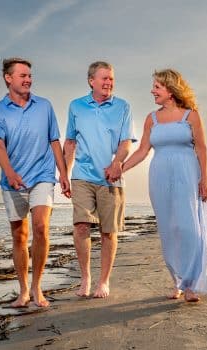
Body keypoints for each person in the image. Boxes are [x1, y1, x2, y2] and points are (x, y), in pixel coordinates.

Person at [122, 69, 207, 302]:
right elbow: (142, 151)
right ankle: (178, 282)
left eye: (157, 87)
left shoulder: (191, 115)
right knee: (169, 230)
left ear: (170, 90)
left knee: (189, 228)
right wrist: (121, 168)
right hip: (160, 177)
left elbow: (201, 148)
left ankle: (191, 284)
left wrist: (205, 180)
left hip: (188, 175)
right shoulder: (152, 118)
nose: (152, 91)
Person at [0, 57, 70, 308]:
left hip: (43, 175)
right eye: (22, 75)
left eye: (29, 75)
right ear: (8, 78)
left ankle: (37, 288)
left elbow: (55, 141)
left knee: (41, 227)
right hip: (13, 180)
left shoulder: (44, 106)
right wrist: (9, 172)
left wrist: (63, 173)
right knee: (19, 234)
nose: (28, 79)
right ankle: (23, 290)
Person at [63, 61, 136, 298]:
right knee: (81, 226)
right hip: (82, 175)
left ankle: (103, 281)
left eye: (111, 79)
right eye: (104, 78)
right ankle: (85, 278)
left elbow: (126, 142)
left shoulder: (123, 107)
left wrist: (118, 163)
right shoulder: (76, 106)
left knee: (108, 231)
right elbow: (70, 142)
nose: (108, 83)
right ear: (91, 81)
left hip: (110, 177)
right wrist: (64, 174)